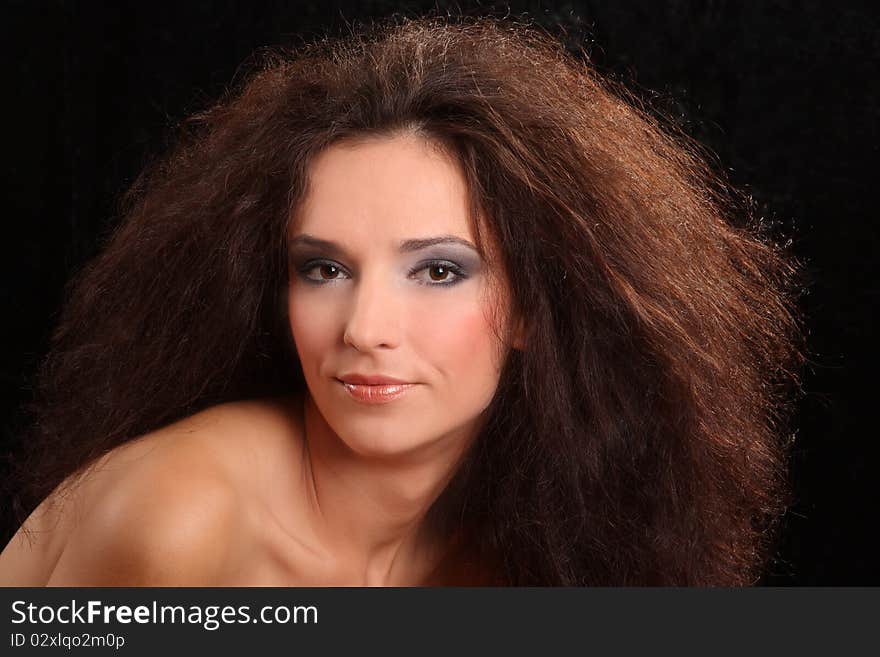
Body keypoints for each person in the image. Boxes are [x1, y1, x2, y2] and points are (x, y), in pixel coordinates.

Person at [0, 14, 806, 586]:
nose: (365, 329)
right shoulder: (178, 517)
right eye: (324, 269)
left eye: (439, 271)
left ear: (536, 306)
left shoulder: (522, 548)